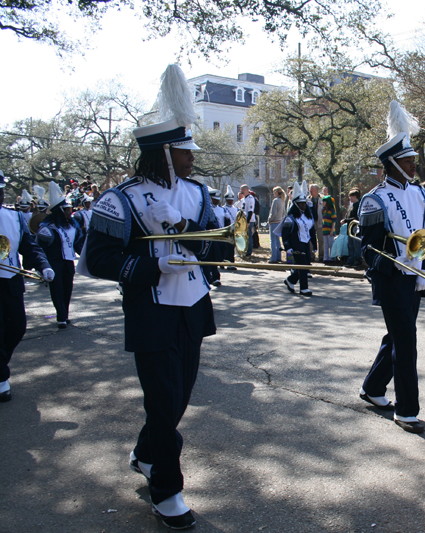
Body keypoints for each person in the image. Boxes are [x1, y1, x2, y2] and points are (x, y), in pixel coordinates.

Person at [82, 64, 218, 530]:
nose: (192, 159)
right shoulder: (119, 199)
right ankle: (166, 489)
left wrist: (184, 230)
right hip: (151, 311)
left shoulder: (199, 196)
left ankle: (145, 452)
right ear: (164, 152)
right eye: (185, 152)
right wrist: (152, 265)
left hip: (193, 309)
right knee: (163, 402)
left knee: (177, 400)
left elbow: (217, 246)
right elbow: (96, 260)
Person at [357, 100, 425, 434]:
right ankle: (407, 409)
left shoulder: (419, 194)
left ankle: (373, 388)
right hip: (391, 279)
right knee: (406, 340)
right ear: (392, 163)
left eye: (414, 159)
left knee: (397, 336)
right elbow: (368, 249)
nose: (414, 164)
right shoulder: (374, 199)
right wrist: (394, 261)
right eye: (408, 160)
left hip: (414, 275)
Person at [0, 170, 54, 402]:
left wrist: (43, 266)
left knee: (16, 328)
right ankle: (2, 377)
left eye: (1, 189)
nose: (1, 194)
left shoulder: (13, 217)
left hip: (11, 283)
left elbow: (28, 246)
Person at [37, 182, 85, 329]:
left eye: (69, 209)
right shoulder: (46, 229)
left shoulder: (73, 227)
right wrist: (42, 267)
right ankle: (61, 316)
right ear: (59, 211)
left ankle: (65, 313)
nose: (69, 212)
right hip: (54, 262)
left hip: (68, 262)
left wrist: (85, 255)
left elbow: (77, 245)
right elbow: (40, 248)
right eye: (66, 210)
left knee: (67, 288)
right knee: (57, 289)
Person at [281, 181, 317, 296]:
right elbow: (285, 234)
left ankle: (290, 280)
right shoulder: (290, 218)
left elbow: (312, 230)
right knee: (303, 265)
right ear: (295, 204)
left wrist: (314, 244)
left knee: (305, 264)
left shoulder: (308, 216)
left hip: (306, 243)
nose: (303, 205)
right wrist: (287, 247)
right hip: (296, 243)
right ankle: (304, 288)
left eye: (304, 203)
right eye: (300, 203)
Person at [341, 189, 361, 267]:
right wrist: (345, 219)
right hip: (350, 228)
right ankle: (351, 260)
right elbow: (347, 215)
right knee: (350, 245)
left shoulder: (359, 205)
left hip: (356, 228)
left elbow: (356, 217)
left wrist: (346, 220)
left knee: (356, 245)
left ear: (354, 196)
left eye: (350, 196)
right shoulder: (351, 205)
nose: (349, 198)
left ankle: (357, 260)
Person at [267, 186, 286, 263]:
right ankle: (278, 256)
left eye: (274, 192)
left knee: (273, 240)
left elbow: (273, 213)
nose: (273, 193)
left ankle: (273, 257)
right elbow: (284, 212)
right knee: (278, 241)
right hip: (279, 221)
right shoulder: (282, 201)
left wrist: (269, 219)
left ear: (277, 192)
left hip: (274, 222)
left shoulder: (275, 201)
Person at [222, 185, 239, 269]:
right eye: (229, 200)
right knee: (225, 247)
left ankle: (231, 262)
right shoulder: (223, 209)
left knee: (231, 248)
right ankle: (224, 262)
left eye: (231, 200)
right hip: (226, 230)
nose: (230, 202)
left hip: (234, 230)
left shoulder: (236, 209)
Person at [240, 184, 255, 257]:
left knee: (249, 236)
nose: (241, 192)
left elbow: (250, 211)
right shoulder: (244, 199)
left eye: (242, 190)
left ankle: (249, 251)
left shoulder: (250, 198)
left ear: (245, 190)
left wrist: (248, 221)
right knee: (245, 236)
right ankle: (245, 249)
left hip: (249, 220)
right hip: (244, 220)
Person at [310, 184, 324, 262]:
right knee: (311, 239)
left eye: (311, 190)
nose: (310, 191)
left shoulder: (322, 199)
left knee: (321, 239)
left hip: (320, 221)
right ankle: (311, 255)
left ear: (316, 190)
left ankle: (321, 255)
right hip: (311, 222)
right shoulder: (308, 199)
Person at [321, 192, 337, 262]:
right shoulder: (323, 210)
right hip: (325, 230)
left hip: (330, 230)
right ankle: (326, 257)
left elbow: (334, 221)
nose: (323, 203)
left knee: (331, 244)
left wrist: (332, 230)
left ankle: (333, 257)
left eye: (324, 201)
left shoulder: (332, 211)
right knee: (326, 244)